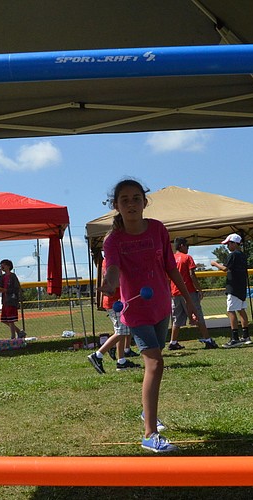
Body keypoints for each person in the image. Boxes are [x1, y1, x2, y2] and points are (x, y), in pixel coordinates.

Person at [100, 178, 199, 453]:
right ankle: (149, 434)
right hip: (136, 310)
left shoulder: (157, 229)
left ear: (144, 201)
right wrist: (109, 283)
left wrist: (189, 302)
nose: (131, 203)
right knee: (155, 364)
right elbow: (113, 270)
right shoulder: (114, 240)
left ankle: (148, 412)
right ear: (116, 206)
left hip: (161, 307)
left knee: (152, 366)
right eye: (124, 200)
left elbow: (171, 268)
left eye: (135, 198)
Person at [88, 258, 140, 373]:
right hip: (114, 302)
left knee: (121, 332)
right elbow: (114, 282)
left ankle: (121, 361)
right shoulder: (111, 260)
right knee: (121, 331)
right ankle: (98, 355)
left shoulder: (109, 260)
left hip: (116, 301)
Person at [168, 237, 218, 350]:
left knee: (176, 319)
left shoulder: (171, 259)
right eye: (187, 246)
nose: (188, 248)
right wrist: (199, 289)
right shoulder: (187, 257)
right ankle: (208, 340)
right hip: (188, 292)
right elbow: (192, 274)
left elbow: (168, 278)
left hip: (175, 293)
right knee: (198, 315)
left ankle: (173, 342)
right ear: (181, 245)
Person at [210, 233, 251, 347]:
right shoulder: (242, 255)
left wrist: (215, 264)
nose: (227, 246)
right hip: (241, 286)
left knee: (230, 311)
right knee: (241, 310)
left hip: (233, 287)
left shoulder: (233, 255)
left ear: (234, 243)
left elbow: (225, 268)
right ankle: (246, 336)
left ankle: (235, 338)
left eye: (229, 243)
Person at [0, 259, 25, 339]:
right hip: (5, 301)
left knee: (11, 320)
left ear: (8, 266)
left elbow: (16, 288)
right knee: (4, 320)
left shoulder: (13, 276)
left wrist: (7, 290)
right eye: (1, 265)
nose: (2, 267)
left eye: (3, 265)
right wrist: (0, 275)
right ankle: (19, 332)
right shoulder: (3, 277)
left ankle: (13, 337)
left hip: (11, 300)